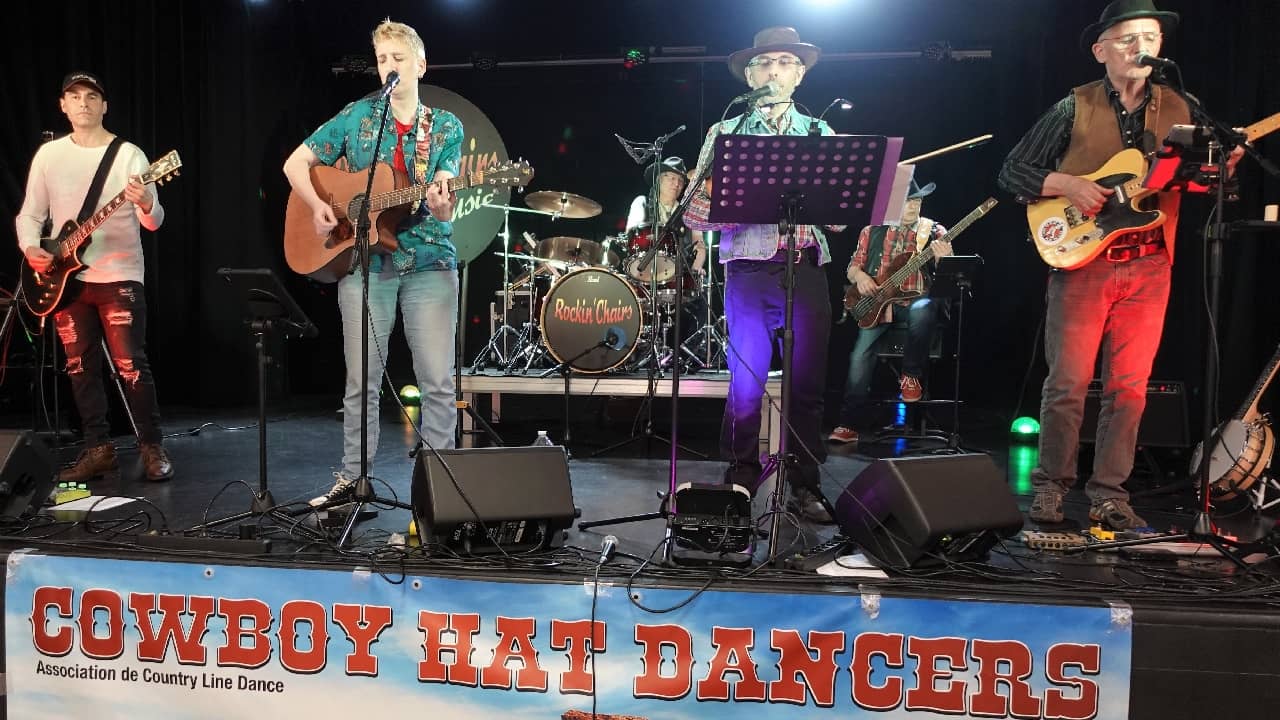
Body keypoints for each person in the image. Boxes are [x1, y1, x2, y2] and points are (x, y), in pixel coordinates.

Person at [998, 0, 1241, 530]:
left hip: (1151, 263)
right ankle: (1052, 488)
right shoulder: (1074, 105)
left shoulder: (1182, 105)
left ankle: (1110, 492)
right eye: (1128, 38)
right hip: (1084, 262)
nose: (1142, 48)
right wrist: (1069, 184)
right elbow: (1013, 171)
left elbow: (1196, 186)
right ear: (1100, 50)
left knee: (1129, 388)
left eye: (1150, 38)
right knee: (1067, 384)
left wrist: (1220, 171)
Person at [283, 19, 462, 506]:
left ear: (420, 65)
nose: (390, 67)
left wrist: (443, 203)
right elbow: (295, 163)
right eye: (382, 60)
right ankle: (353, 482)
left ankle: (440, 490)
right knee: (360, 383)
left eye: (398, 59)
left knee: (437, 383)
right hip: (365, 264)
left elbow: (444, 185)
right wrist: (320, 205)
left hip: (429, 261)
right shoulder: (357, 116)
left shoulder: (444, 126)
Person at [684, 27, 838, 522]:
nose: (774, 71)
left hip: (806, 265)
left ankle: (804, 483)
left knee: (806, 385)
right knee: (746, 382)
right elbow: (691, 212)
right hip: (749, 268)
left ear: (800, 75)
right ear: (750, 75)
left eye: (785, 63)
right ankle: (741, 475)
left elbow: (838, 216)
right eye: (764, 63)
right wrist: (730, 207)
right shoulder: (724, 134)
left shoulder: (820, 133)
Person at [15, 71, 174, 483]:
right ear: (63, 106)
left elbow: (155, 222)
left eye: (91, 96)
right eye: (74, 96)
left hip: (119, 274)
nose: (83, 103)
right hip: (65, 281)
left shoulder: (129, 155)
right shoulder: (49, 155)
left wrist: (146, 202)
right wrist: (32, 247)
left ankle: (151, 446)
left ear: (104, 106)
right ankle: (98, 449)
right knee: (79, 367)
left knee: (130, 365)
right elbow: (30, 213)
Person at [829, 178, 951, 444]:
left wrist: (944, 258)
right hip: (879, 305)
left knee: (923, 307)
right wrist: (860, 278)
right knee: (859, 356)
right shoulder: (871, 230)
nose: (914, 206)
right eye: (908, 201)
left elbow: (951, 274)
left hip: (915, 302)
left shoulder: (933, 230)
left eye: (917, 201)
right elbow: (851, 267)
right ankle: (849, 424)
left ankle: (911, 376)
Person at [624, 156, 707, 357]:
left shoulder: (688, 211)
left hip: (678, 276)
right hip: (645, 276)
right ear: (659, 180)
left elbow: (700, 245)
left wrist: (695, 270)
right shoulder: (642, 203)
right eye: (670, 178)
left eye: (680, 180)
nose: (676, 184)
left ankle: (681, 354)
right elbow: (631, 239)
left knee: (701, 303)